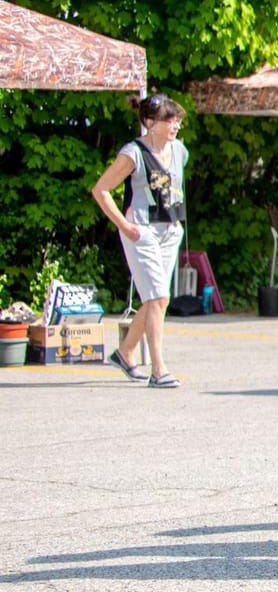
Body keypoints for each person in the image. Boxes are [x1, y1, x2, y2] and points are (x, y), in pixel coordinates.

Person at [89, 94, 190, 388]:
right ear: (149, 123)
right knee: (158, 298)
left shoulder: (180, 150)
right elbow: (101, 190)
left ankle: (125, 352)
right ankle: (159, 370)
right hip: (142, 231)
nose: (175, 125)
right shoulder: (133, 152)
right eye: (168, 120)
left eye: (177, 120)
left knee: (154, 298)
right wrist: (125, 226)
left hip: (170, 231)